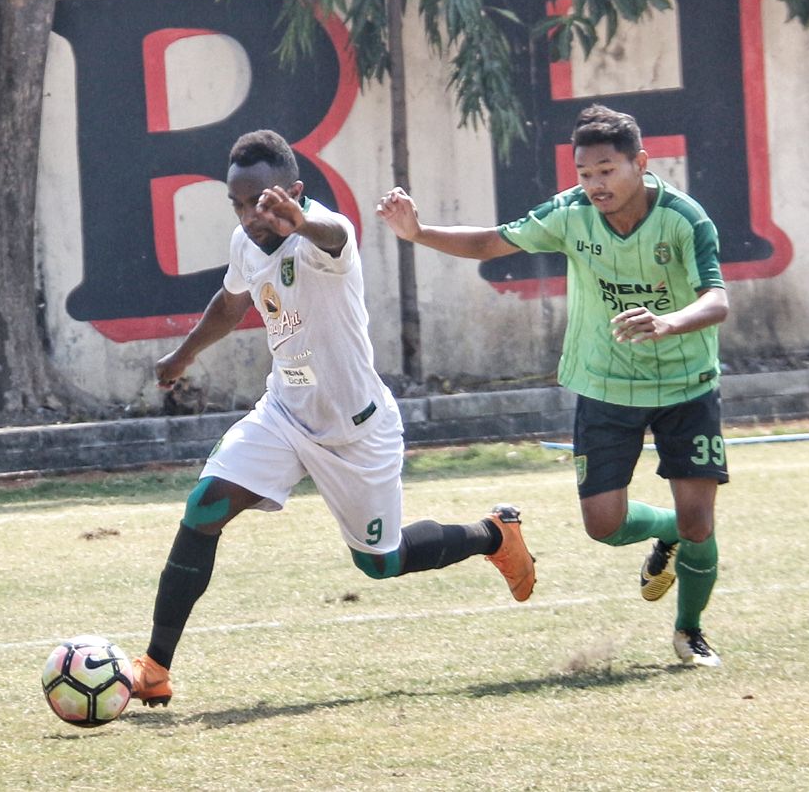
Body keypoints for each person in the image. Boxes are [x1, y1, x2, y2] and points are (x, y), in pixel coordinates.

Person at [129, 130, 536, 707]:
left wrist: (299, 220)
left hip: (354, 429)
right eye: (239, 204)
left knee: (381, 562)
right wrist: (185, 354)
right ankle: (155, 667)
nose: (250, 216)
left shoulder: (323, 236)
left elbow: (337, 233)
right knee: (204, 509)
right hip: (284, 415)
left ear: (293, 192)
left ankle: (494, 535)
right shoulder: (246, 243)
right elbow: (231, 302)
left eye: (263, 202)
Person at [377, 105, 730, 666]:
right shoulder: (571, 213)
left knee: (700, 518)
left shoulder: (685, 220)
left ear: (641, 163)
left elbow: (717, 299)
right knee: (604, 526)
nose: (595, 185)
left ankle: (689, 632)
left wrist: (667, 322)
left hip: (686, 384)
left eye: (608, 171)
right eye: (585, 174)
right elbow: (491, 242)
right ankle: (669, 531)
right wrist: (418, 233)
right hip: (605, 383)